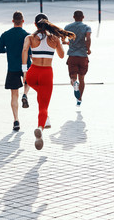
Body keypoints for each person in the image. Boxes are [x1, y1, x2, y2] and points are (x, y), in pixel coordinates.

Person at [22, 13, 76, 150]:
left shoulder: (30, 37)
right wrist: (60, 43)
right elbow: (62, 55)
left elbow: (24, 50)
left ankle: (46, 120)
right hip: (46, 72)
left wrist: (24, 71)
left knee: (41, 95)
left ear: (35, 24)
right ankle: (40, 127)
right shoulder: (54, 38)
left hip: (32, 73)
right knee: (44, 105)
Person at [0, 11, 32, 131]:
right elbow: (31, 52)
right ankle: (25, 94)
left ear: (13, 21)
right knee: (28, 83)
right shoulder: (27, 35)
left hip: (12, 67)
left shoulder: (5, 34)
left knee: (13, 95)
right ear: (23, 21)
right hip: (26, 66)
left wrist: (9, 50)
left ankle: (16, 120)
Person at [63, 10, 92, 107]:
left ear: (73, 17)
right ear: (83, 17)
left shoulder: (67, 27)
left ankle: (74, 83)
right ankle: (79, 99)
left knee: (73, 77)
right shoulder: (86, 27)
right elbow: (88, 39)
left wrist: (67, 42)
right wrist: (88, 49)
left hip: (72, 56)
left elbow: (63, 39)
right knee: (82, 78)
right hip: (83, 56)